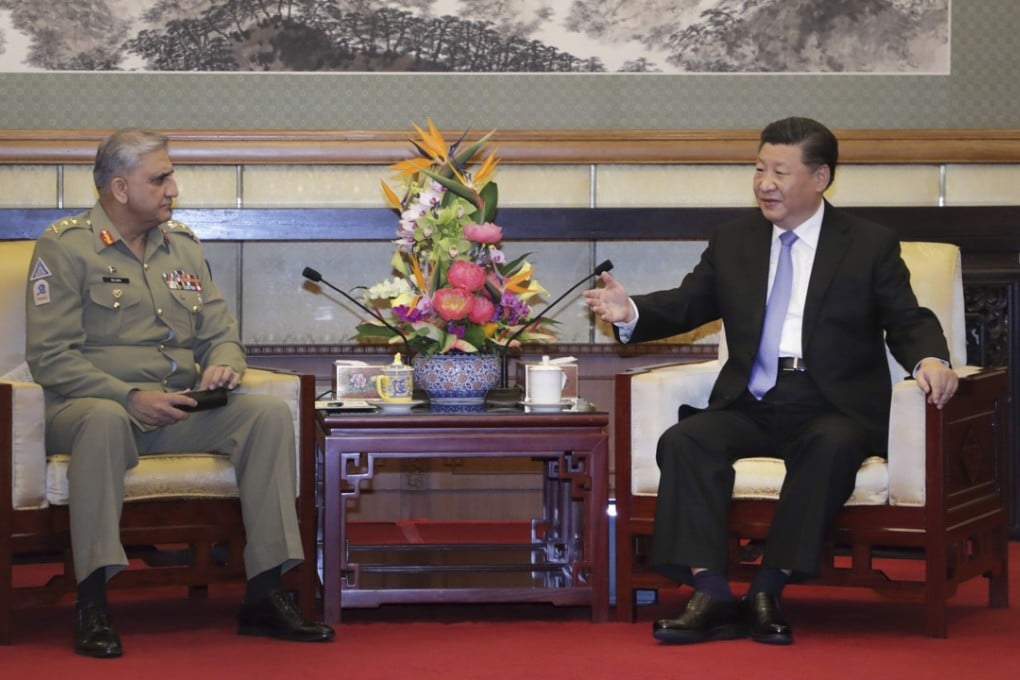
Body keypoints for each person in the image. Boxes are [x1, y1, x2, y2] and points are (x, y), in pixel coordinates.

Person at [583, 117, 958, 646]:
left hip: (832, 405)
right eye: (759, 170)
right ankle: (711, 591)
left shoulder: (867, 244)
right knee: (685, 441)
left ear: (820, 177)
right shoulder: (735, 240)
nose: (765, 184)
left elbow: (907, 318)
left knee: (831, 447)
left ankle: (767, 589)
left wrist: (929, 360)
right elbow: (690, 302)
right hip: (753, 400)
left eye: (780, 172)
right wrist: (631, 312)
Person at [25, 129, 336, 658]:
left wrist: (223, 363)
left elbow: (221, 332)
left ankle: (265, 592)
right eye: (160, 179)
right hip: (88, 409)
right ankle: (93, 602)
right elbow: (51, 358)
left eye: (170, 177)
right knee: (102, 421)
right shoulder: (66, 246)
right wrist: (128, 397)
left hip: (175, 407)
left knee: (264, 416)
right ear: (120, 188)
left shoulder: (183, 247)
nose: (173, 188)